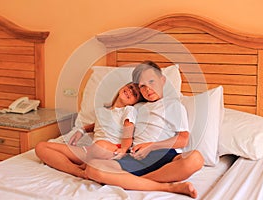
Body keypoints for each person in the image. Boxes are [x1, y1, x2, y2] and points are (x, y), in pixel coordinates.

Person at [84, 61, 204, 198]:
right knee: (92, 167)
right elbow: (113, 118)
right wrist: (84, 129)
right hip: (134, 158)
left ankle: (134, 182)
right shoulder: (136, 107)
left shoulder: (173, 105)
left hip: (162, 155)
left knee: (196, 158)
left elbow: (183, 139)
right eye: (142, 86)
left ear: (162, 80)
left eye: (151, 82)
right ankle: (165, 186)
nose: (147, 89)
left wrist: (151, 146)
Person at [35, 82, 143, 178]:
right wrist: (82, 130)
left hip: (111, 149)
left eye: (135, 94)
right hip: (91, 150)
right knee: (41, 147)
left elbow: (128, 134)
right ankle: (78, 171)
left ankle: (84, 164)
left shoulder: (129, 110)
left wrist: (124, 149)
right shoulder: (103, 110)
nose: (130, 91)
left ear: (135, 102)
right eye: (130, 87)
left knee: (101, 145)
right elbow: (98, 125)